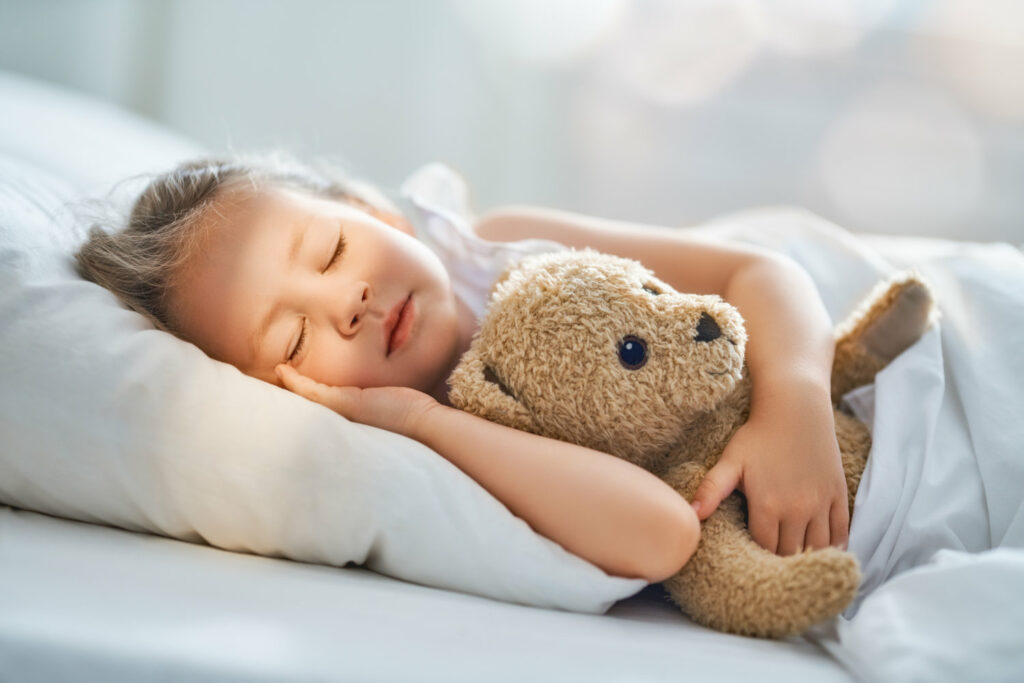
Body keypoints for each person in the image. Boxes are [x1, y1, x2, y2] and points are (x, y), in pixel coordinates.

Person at [75, 154, 849, 584]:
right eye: (295, 337)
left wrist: (794, 406)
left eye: (333, 250)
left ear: (376, 214)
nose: (348, 302)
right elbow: (662, 532)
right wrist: (422, 421)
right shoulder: (437, 450)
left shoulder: (504, 246)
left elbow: (760, 272)